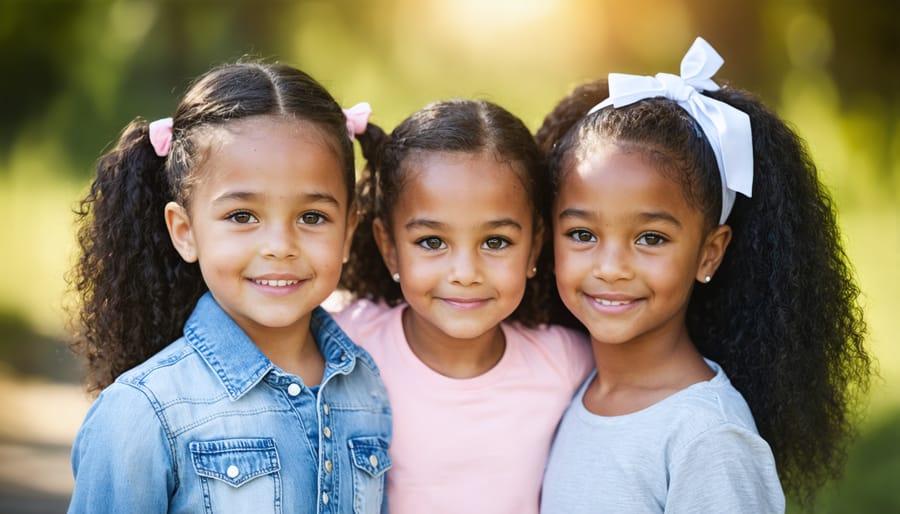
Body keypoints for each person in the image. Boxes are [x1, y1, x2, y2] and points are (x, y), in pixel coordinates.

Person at [535, 37, 872, 512]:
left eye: (650, 238)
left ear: (709, 254)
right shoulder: (568, 385)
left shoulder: (708, 437)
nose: (610, 267)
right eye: (582, 234)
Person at [66, 61, 391, 513]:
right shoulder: (143, 414)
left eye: (312, 217)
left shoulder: (366, 386)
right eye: (242, 216)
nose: (280, 246)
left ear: (349, 229)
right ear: (185, 231)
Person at [330, 99, 593, 514]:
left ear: (534, 247)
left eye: (496, 242)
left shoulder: (568, 362)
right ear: (390, 248)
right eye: (432, 242)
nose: (465, 272)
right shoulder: (343, 346)